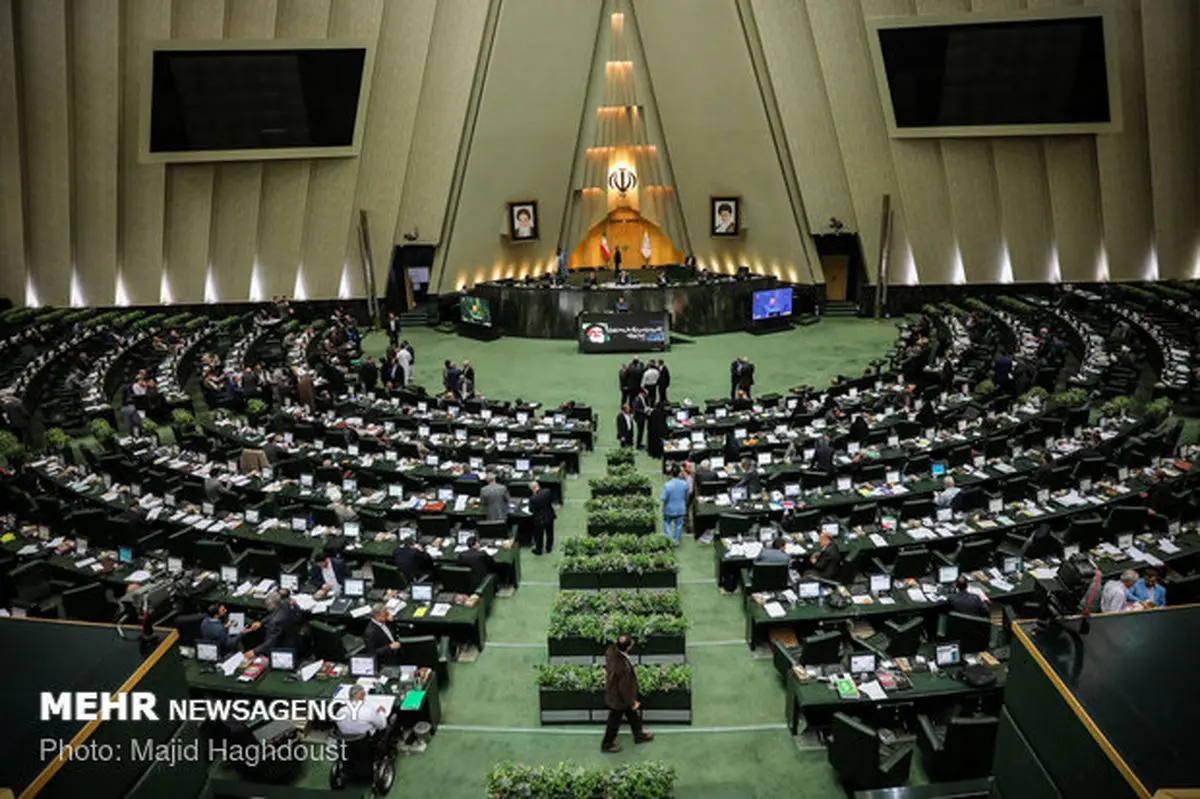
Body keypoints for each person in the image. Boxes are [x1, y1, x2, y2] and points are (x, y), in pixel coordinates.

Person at [601, 635, 654, 753]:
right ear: (627, 648)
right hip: (619, 699)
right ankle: (607, 744)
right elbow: (624, 688)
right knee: (613, 722)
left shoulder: (612, 652)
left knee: (633, 716)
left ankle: (639, 735)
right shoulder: (622, 667)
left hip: (615, 694)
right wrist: (632, 702)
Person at [247, 592, 301, 658]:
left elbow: (271, 641)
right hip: (294, 634)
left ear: (274, 604)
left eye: (268, 605)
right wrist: (261, 622)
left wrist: (254, 651)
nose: (266, 607)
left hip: (283, 645)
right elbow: (273, 614)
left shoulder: (275, 622)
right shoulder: (285, 603)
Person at [660, 465, 689, 545]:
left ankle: (669, 539)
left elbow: (663, 497)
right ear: (679, 473)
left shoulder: (667, 485)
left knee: (667, 523)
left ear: (671, 474)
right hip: (681, 509)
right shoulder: (685, 484)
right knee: (679, 525)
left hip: (669, 509)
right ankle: (676, 541)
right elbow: (686, 497)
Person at [528, 479, 556, 555]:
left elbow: (531, 510)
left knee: (539, 536)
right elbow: (551, 500)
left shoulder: (533, 498)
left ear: (532, 489)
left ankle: (539, 550)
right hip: (549, 516)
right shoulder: (548, 491)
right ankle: (549, 548)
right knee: (550, 533)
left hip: (539, 519)